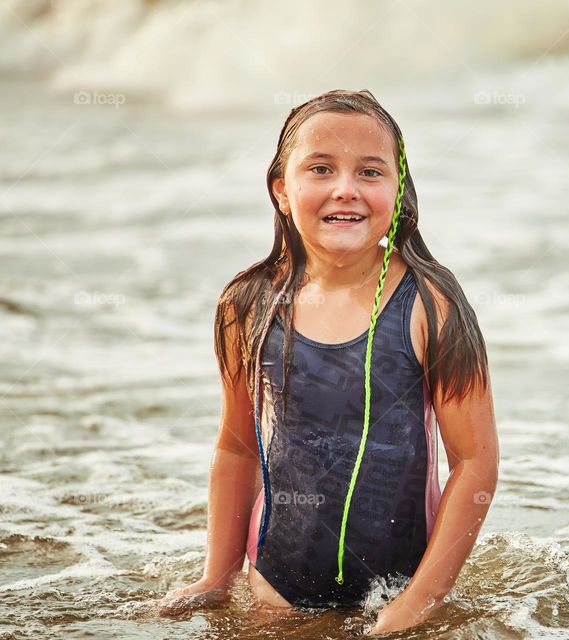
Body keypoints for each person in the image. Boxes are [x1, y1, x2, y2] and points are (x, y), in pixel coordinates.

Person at [158, 89, 499, 635]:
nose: (346, 189)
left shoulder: (430, 307)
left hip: (397, 593)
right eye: (320, 168)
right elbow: (237, 446)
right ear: (281, 190)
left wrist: (416, 604)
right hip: (276, 594)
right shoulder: (247, 306)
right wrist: (217, 578)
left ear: (399, 191)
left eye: (370, 172)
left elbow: (475, 463)